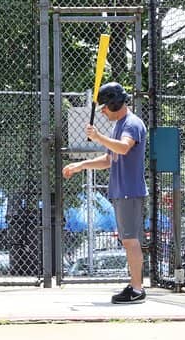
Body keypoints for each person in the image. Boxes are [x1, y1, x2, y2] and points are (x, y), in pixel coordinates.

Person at [63, 81, 148, 304]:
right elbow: (111, 158)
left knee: (130, 240)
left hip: (130, 191)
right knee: (127, 240)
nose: (101, 111)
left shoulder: (131, 124)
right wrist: (81, 165)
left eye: (104, 106)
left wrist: (98, 137)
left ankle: (137, 289)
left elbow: (124, 147)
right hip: (122, 191)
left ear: (113, 103)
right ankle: (134, 285)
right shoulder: (118, 125)